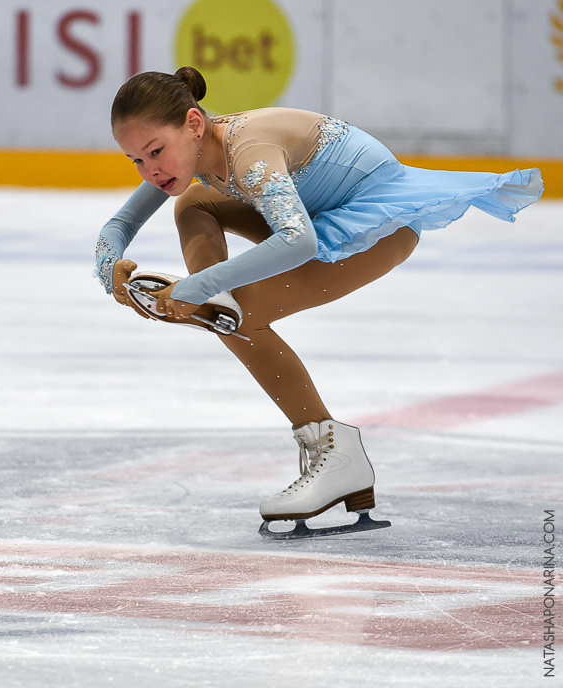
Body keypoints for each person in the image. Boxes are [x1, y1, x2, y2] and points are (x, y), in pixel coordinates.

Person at [95, 66, 543, 538]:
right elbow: (117, 227)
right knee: (194, 209)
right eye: (135, 160)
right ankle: (220, 305)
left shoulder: (248, 154)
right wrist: (111, 270)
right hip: (317, 216)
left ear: (193, 124)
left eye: (155, 153)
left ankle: (336, 454)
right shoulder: (191, 152)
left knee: (239, 314)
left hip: (376, 227)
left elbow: (298, 241)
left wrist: (194, 289)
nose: (150, 170)